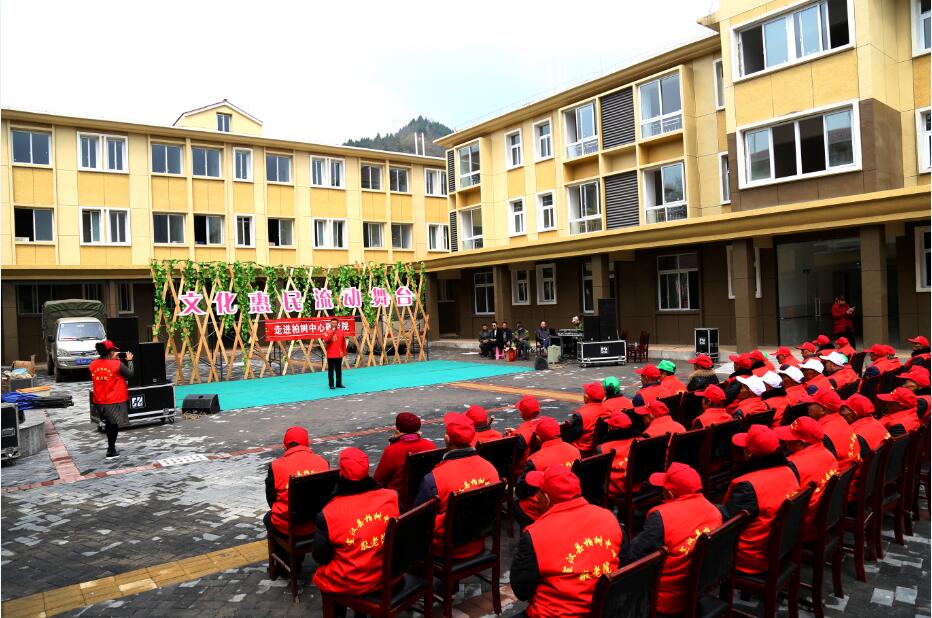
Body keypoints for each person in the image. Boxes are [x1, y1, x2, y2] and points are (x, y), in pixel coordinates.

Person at [510, 465, 624, 618]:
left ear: (546, 498)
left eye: (538, 493)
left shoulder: (535, 534)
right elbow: (625, 563)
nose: (536, 498)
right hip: (604, 610)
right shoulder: (610, 518)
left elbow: (521, 590)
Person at [622, 463, 723, 616]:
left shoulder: (661, 517)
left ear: (669, 493)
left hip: (663, 599)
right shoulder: (715, 512)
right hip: (698, 590)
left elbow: (632, 557)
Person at [312, 448, 400, 609]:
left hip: (352, 581)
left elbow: (320, 556)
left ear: (341, 473)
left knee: (327, 570)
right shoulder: (391, 497)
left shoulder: (329, 512)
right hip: (388, 573)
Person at [414, 412, 499, 559]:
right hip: (478, 542)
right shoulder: (490, 468)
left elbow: (418, 521)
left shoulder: (434, 478)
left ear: (447, 439)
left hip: (444, 549)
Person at [721, 425, 800, 575]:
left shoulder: (748, 486)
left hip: (749, 558)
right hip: (780, 549)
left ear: (749, 453)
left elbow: (726, 524)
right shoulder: (790, 470)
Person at [774, 416, 838, 537]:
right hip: (818, 520)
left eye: (790, 439)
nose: (785, 441)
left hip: (798, 529)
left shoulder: (792, 466)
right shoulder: (829, 455)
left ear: (802, 443)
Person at [264, 426, 330, 538]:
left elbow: (271, 500)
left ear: (285, 446)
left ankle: (283, 548)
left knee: (268, 518)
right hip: (317, 523)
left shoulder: (276, 466)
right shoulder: (323, 463)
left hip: (287, 526)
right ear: (307, 443)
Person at [514, 417, 582, 525]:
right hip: (570, 500)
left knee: (517, 505)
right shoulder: (575, 451)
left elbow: (521, 491)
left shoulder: (535, 460)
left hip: (544, 507)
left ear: (538, 438)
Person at [89, 340, 134, 459]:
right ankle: (111, 450)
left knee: (110, 423)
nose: (115, 352)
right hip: (113, 400)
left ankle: (111, 448)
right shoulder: (117, 364)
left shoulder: (92, 364)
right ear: (110, 352)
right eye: (113, 350)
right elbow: (130, 374)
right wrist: (129, 361)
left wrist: (112, 359)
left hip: (99, 400)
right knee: (113, 425)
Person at [373, 412, 436, 495]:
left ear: (397, 428)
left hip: (398, 497)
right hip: (424, 493)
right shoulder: (430, 445)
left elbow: (379, 480)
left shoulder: (392, 450)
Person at [804, 389, 860, 467]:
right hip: (851, 469)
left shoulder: (821, 434)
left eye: (812, 403)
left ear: (823, 410)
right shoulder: (841, 420)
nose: (808, 406)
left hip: (840, 472)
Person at [598, 411, 639, 499]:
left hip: (615, 490)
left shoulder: (603, 448)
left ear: (610, 428)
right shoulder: (641, 440)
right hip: (638, 486)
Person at [506, 395, 549, 474]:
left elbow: (513, 456)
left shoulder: (521, 433)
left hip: (523, 471)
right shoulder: (548, 424)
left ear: (522, 414)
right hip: (543, 464)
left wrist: (511, 437)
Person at [564, 382, 609, 454]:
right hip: (600, 446)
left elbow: (569, 437)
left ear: (587, 397)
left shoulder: (581, 414)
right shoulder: (608, 411)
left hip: (582, 451)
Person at [323, 317, 347, 389]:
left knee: (338, 370)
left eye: (335, 323)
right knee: (331, 370)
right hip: (331, 354)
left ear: (337, 324)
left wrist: (344, 352)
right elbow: (326, 340)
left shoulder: (341, 332)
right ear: (330, 323)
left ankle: (339, 383)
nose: (334, 324)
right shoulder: (327, 332)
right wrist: (332, 332)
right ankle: (331, 384)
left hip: (339, 354)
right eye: (333, 323)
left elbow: (343, 343)